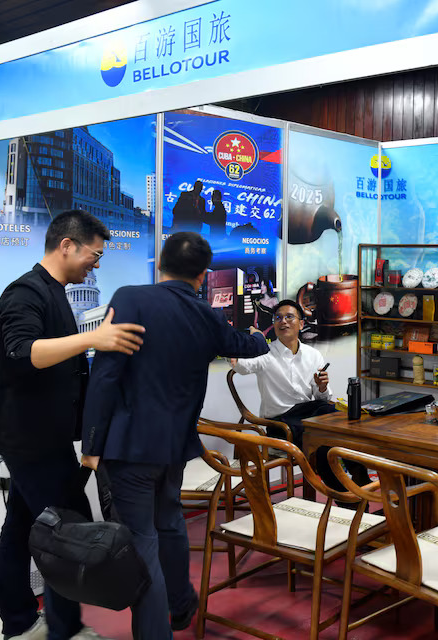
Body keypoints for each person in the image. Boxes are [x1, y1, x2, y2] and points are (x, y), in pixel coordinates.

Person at [80, 232, 269, 639]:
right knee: (169, 523)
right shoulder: (208, 316)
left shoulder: (131, 298)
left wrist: (90, 445)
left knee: (142, 542)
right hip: (175, 449)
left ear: (159, 263)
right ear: (203, 276)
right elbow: (246, 345)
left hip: (129, 449)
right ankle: (181, 605)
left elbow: (105, 377)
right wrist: (260, 337)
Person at [0, 210, 147, 640]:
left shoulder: (55, 292)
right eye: (95, 253)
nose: (97, 262)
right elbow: (22, 352)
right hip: (29, 439)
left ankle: (19, 623)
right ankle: (65, 629)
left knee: (20, 527)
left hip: (42, 436)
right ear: (67, 245)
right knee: (69, 533)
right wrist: (93, 339)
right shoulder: (24, 293)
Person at [231, 301, 369, 491]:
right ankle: (345, 494)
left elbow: (321, 398)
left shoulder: (313, 355)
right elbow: (240, 365)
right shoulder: (264, 353)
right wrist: (254, 338)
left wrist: (322, 387)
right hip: (281, 423)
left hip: (309, 416)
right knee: (324, 444)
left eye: (289, 317)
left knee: (337, 419)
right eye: (278, 318)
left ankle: (359, 480)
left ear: (301, 324)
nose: (283, 322)